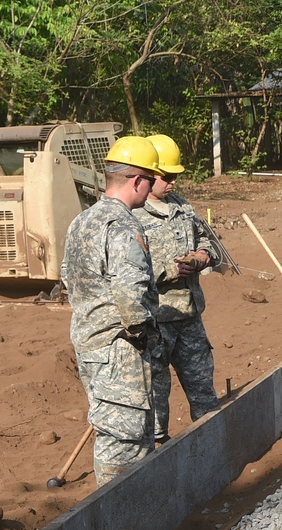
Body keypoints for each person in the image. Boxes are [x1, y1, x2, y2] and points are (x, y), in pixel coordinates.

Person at [61, 136, 163, 486]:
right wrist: (142, 334)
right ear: (137, 180)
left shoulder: (82, 221)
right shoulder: (122, 225)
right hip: (120, 350)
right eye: (150, 181)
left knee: (111, 427)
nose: (151, 190)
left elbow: (67, 278)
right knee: (125, 442)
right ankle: (118, 527)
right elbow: (130, 295)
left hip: (90, 345)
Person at [133, 134, 221, 443]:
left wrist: (201, 257)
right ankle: (159, 449)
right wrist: (170, 270)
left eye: (176, 176)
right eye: (166, 176)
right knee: (156, 397)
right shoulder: (132, 216)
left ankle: (210, 442)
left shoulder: (183, 207)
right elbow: (127, 271)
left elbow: (210, 242)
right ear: (147, 174)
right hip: (156, 322)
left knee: (203, 389)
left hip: (190, 317)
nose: (173, 182)